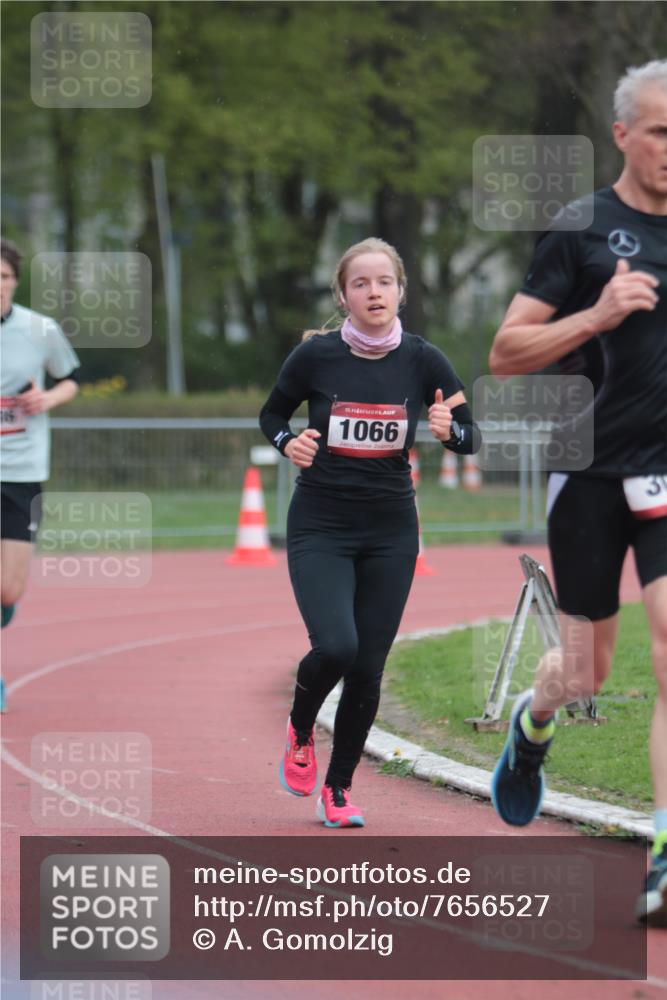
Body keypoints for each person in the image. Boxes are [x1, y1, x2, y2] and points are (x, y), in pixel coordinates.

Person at [487, 60, 667, 926]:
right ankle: (531, 728)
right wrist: (596, 314)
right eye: (661, 131)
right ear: (623, 134)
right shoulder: (580, 230)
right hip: (588, 473)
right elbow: (506, 352)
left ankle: (664, 853)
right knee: (586, 669)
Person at [260, 237, 480, 828]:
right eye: (361, 283)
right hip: (322, 525)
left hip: (390, 530)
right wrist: (290, 443)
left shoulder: (424, 360)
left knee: (368, 668)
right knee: (337, 646)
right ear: (344, 294)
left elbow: (470, 432)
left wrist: (448, 432)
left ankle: (337, 790)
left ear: (400, 290)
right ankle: (301, 727)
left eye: (384, 281)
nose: (374, 292)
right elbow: (272, 415)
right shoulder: (316, 358)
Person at [1, 238, 80, 710]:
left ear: (14, 281)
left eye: (5, 277)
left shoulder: (39, 329)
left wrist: (46, 399)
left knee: (8, 588)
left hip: (22, 471)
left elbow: (72, 377)